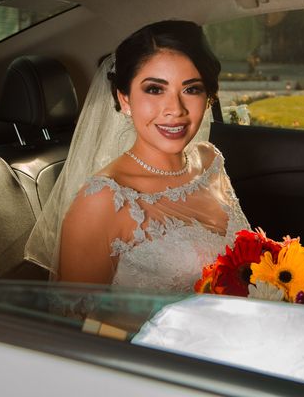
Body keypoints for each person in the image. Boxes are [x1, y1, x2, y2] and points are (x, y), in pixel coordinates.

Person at [24, 20, 250, 291]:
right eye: (155, 89)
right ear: (125, 99)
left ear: (209, 97)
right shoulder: (103, 201)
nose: (174, 109)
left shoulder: (211, 161)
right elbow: (75, 321)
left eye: (191, 89)